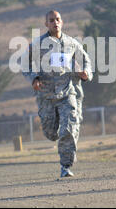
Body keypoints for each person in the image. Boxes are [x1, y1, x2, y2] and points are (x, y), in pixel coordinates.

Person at [23, 10, 92, 177]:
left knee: (68, 128)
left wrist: (86, 73)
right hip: (46, 95)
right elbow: (25, 64)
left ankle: (66, 166)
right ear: (46, 24)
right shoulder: (37, 45)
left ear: (62, 22)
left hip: (68, 92)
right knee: (51, 132)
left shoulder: (72, 43)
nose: (55, 22)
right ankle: (56, 137)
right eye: (51, 20)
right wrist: (34, 78)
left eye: (58, 19)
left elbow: (86, 61)